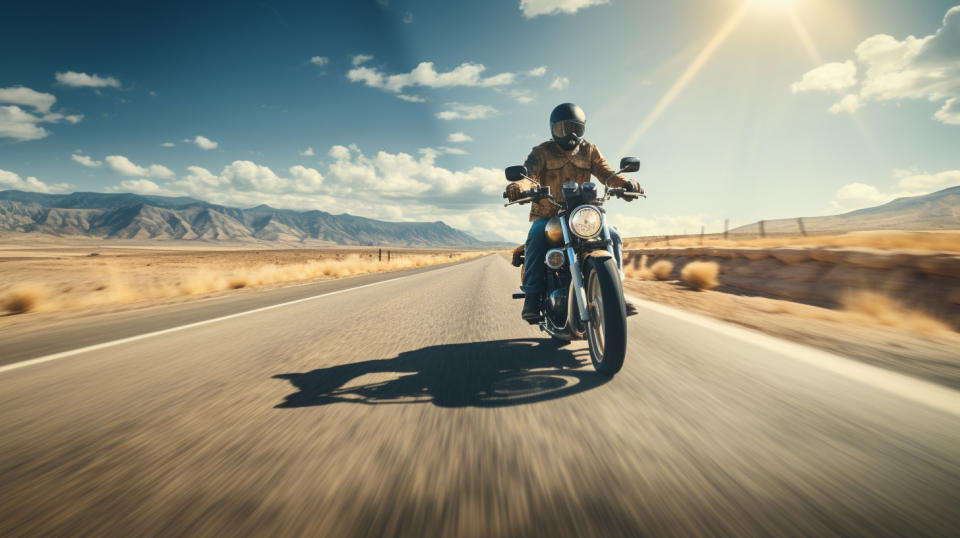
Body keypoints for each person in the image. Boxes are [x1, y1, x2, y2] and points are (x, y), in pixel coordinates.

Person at [506, 103, 642, 321]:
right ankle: (531, 296)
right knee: (536, 235)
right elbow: (527, 175)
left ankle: (616, 293)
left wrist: (626, 183)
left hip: (582, 214)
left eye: (575, 129)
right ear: (553, 130)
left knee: (613, 236)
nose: (570, 134)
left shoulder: (590, 150)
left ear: (583, 129)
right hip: (550, 214)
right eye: (563, 129)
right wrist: (519, 187)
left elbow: (606, 173)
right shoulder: (541, 152)